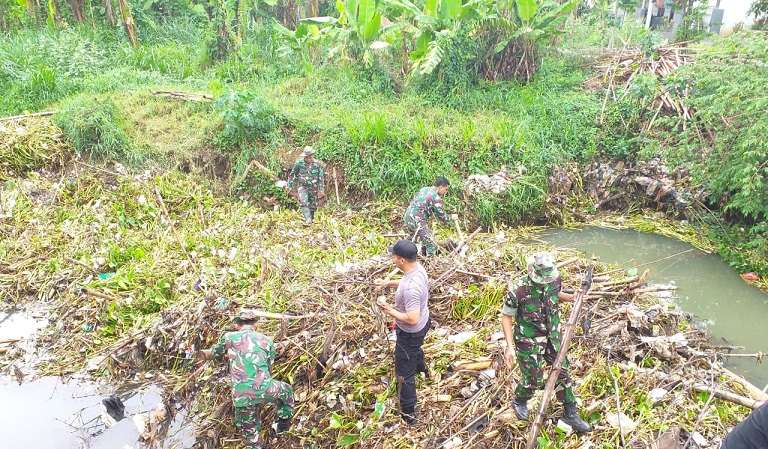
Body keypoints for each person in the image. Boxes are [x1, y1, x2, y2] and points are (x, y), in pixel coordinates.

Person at [500, 252, 592, 433]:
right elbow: (506, 317)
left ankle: (570, 413)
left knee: (562, 372)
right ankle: (520, 399)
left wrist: (572, 298)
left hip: (553, 334)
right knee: (533, 378)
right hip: (529, 338)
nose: (545, 282)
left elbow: (555, 294)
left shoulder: (554, 279)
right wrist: (510, 347)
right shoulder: (518, 290)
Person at [199, 309, 295, 449]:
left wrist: (221, 355)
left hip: (241, 396)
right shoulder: (266, 340)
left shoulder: (229, 337)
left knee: (251, 437)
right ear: (255, 324)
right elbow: (269, 368)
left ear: (237, 325)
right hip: (266, 388)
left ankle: (255, 443)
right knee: (287, 390)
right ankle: (282, 425)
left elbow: (216, 353)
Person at [375, 240, 431, 424]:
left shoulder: (411, 289)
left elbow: (412, 318)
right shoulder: (417, 269)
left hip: (411, 331)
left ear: (401, 260)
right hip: (424, 323)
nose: (392, 259)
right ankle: (422, 369)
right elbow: (405, 283)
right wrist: (388, 283)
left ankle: (409, 413)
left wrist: (388, 309)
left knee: (404, 372)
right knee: (415, 350)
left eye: (394, 256)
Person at [403, 177, 457, 256]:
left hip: (407, 216)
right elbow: (442, 216)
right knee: (431, 244)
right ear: (440, 187)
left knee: (412, 240)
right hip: (417, 220)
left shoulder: (424, 189)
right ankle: (431, 260)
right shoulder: (435, 198)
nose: (446, 192)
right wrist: (451, 217)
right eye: (446, 189)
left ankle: (407, 255)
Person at [287, 146, 325, 225]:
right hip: (302, 186)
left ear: (312, 155)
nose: (309, 159)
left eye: (310, 157)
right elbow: (292, 175)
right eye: (307, 157)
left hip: (314, 188)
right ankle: (308, 219)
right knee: (303, 202)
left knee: (313, 206)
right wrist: (289, 186)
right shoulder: (299, 164)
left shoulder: (317, 164)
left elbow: (321, 178)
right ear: (304, 156)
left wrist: (321, 190)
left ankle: (311, 220)